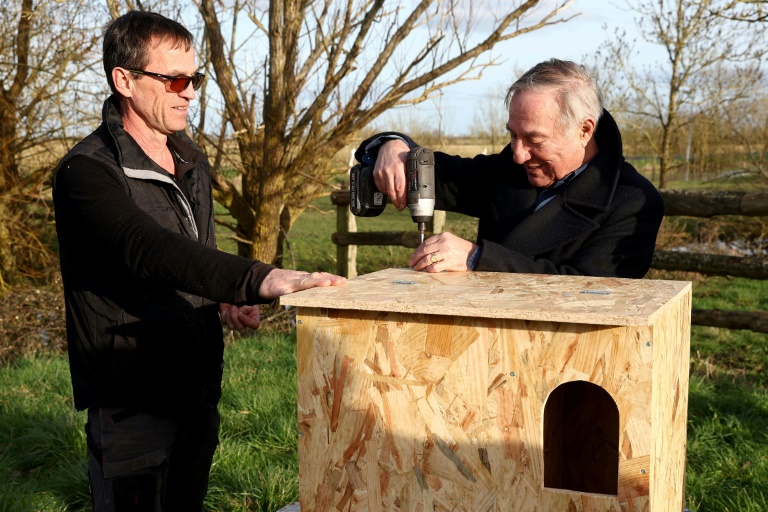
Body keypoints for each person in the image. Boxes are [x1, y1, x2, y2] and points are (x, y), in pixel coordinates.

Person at [51, 11, 344, 511]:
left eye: (195, 79)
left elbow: (194, 251)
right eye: (175, 80)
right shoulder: (85, 173)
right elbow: (146, 249)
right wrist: (260, 278)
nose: (190, 93)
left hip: (198, 382)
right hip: (133, 395)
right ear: (124, 80)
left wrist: (223, 299)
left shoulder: (189, 159)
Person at [357, 59, 664, 278]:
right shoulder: (509, 169)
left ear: (584, 130)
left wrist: (478, 258)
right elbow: (440, 175)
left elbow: (590, 292)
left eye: (534, 139)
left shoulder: (633, 203)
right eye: (513, 135)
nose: (518, 154)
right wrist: (394, 147)